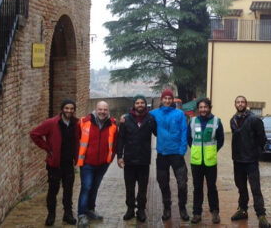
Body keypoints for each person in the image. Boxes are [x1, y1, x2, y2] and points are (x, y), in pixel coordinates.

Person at [30, 99, 79, 226]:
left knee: (68, 191)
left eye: (71, 108)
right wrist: (47, 148)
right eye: (67, 108)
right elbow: (34, 134)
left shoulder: (76, 123)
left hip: (69, 163)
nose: (69, 110)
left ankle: (67, 214)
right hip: (55, 164)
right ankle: (51, 215)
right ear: (62, 109)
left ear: (74, 110)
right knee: (53, 190)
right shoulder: (51, 123)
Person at [230, 95, 271, 228]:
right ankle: (242, 210)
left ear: (246, 104)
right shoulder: (233, 120)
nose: (240, 104)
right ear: (235, 104)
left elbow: (262, 138)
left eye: (242, 102)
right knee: (241, 188)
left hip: (251, 161)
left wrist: (256, 153)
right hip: (238, 161)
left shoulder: (254, 120)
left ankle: (261, 215)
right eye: (238, 102)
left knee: (255, 189)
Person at [76, 101, 118, 227]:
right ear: (95, 109)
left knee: (94, 188)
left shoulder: (113, 124)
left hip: (102, 164)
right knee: (86, 188)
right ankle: (82, 214)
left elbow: (115, 144)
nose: (102, 112)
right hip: (87, 163)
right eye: (100, 109)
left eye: (105, 109)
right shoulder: (85, 122)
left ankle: (90, 210)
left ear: (108, 111)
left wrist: (109, 160)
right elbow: (76, 139)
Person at [150, 88, 189, 221]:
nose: (167, 101)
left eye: (169, 98)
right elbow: (140, 115)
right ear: (162, 100)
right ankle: (167, 208)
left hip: (176, 154)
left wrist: (182, 150)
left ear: (172, 100)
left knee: (182, 182)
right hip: (162, 154)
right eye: (165, 98)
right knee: (163, 183)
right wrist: (124, 117)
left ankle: (182, 207)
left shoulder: (179, 114)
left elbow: (184, 131)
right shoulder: (155, 113)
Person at [117, 94, 157, 222]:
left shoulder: (151, 119)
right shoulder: (126, 119)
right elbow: (121, 139)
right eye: (137, 103)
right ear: (134, 105)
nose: (140, 105)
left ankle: (141, 210)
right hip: (129, 159)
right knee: (129, 187)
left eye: (142, 103)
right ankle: (130, 209)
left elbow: (158, 132)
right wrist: (119, 156)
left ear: (145, 105)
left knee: (143, 188)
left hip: (144, 160)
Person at [187, 98, 224, 224]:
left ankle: (215, 212)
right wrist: (196, 150)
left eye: (205, 107)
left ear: (209, 108)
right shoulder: (192, 121)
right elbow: (188, 139)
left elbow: (221, 140)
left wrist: (212, 151)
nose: (203, 109)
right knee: (197, 188)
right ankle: (197, 213)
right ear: (198, 109)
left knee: (212, 187)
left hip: (210, 161)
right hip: (196, 161)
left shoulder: (216, 121)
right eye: (201, 107)